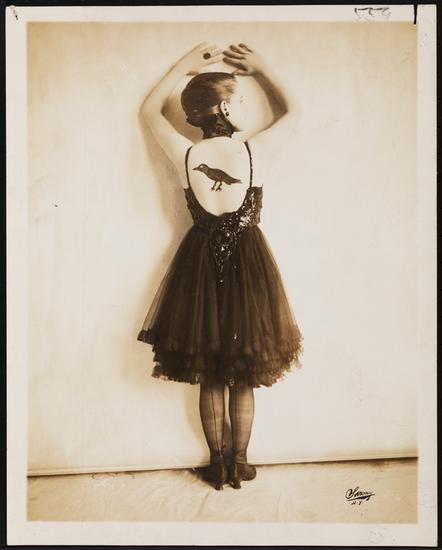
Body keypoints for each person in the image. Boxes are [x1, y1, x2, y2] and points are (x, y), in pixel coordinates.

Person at [137, 42, 304, 490]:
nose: (243, 108)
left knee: (210, 372)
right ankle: (241, 463)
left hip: (198, 265)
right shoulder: (254, 151)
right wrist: (263, 67)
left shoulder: (185, 153)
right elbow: (295, 112)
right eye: (241, 101)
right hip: (249, 264)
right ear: (227, 108)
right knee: (243, 372)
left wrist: (183, 65)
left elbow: (149, 111)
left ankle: (217, 464)